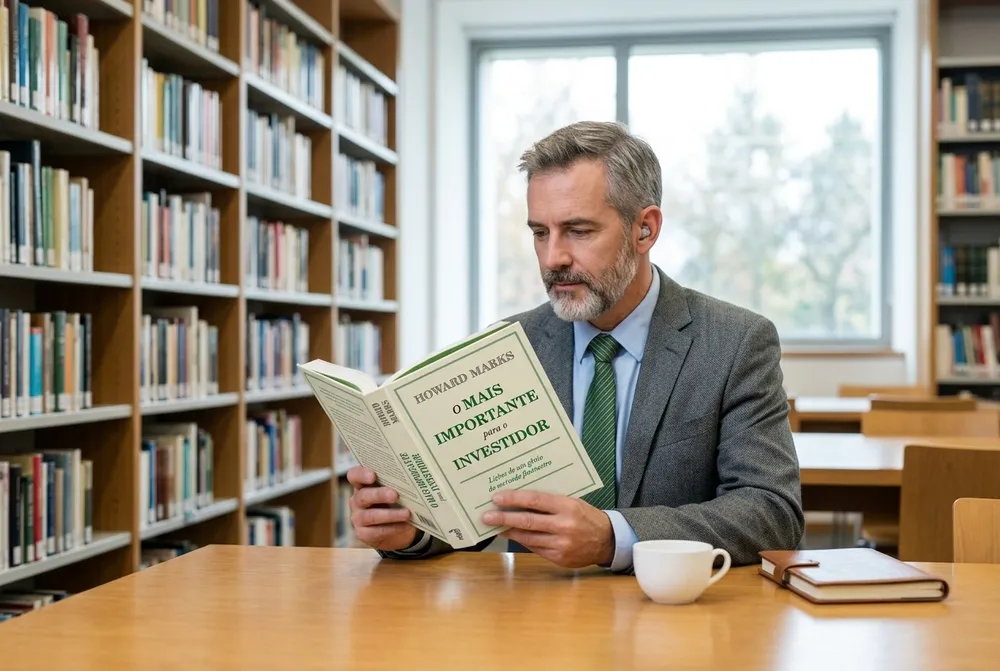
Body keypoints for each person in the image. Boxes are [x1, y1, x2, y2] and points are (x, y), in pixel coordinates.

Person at [346, 120, 804, 572]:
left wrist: (613, 537)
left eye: (579, 231)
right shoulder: (510, 345)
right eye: (540, 233)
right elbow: (475, 516)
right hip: (537, 621)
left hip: (674, 619)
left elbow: (771, 512)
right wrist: (412, 532)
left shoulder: (735, 342)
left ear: (644, 230)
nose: (552, 258)